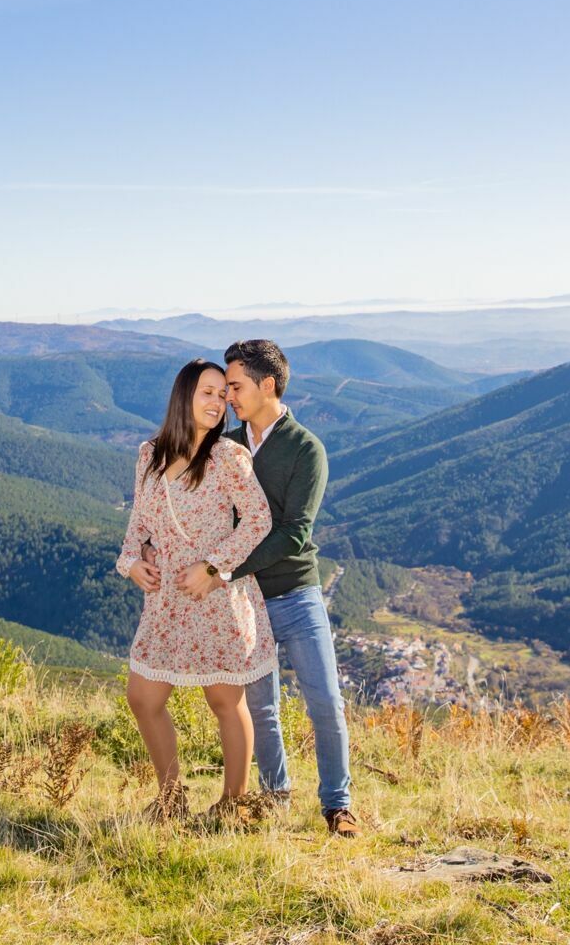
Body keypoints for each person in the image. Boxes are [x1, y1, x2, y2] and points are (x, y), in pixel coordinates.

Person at [148, 338, 358, 837]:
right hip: (244, 600)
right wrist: (153, 548)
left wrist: (219, 570)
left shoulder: (305, 449)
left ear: (268, 386)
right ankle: (273, 798)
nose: (228, 397)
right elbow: (191, 513)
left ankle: (338, 806)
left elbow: (293, 533)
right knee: (260, 708)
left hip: (296, 594)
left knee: (325, 702)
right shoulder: (225, 446)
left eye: (236, 386)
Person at [115, 358, 276, 824]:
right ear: (183, 396)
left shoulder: (227, 457)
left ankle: (233, 806)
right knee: (143, 698)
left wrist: (212, 568)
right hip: (165, 603)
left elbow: (259, 520)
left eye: (223, 395)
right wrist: (131, 563)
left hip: (215, 598)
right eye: (208, 392)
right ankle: (170, 800)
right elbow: (138, 525)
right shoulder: (149, 455)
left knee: (225, 701)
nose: (218, 402)